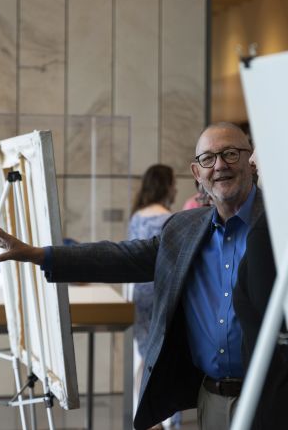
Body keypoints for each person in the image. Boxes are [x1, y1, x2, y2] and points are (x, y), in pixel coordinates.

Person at [0, 122, 259, 430]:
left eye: (231, 154)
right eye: (208, 158)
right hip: (213, 399)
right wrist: (40, 254)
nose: (219, 165)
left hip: (272, 395)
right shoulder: (183, 230)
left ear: (251, 161)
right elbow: (121, 257)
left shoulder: (280, 225)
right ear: (197, 173)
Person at [233, 152, 288, 429]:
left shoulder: (267, 231)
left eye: (258, 146)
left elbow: (277, 330)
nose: (251, 160)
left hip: (278, 402)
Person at [127, 164, 180, 429]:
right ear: (165, 185)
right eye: (173, 182)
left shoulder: (137, 216)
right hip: (161, 295)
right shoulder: (168, 219)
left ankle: (145, 417)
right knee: (163, 359)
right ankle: (161, 421)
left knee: (146, 358)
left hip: (140, 294)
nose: (176, 188)